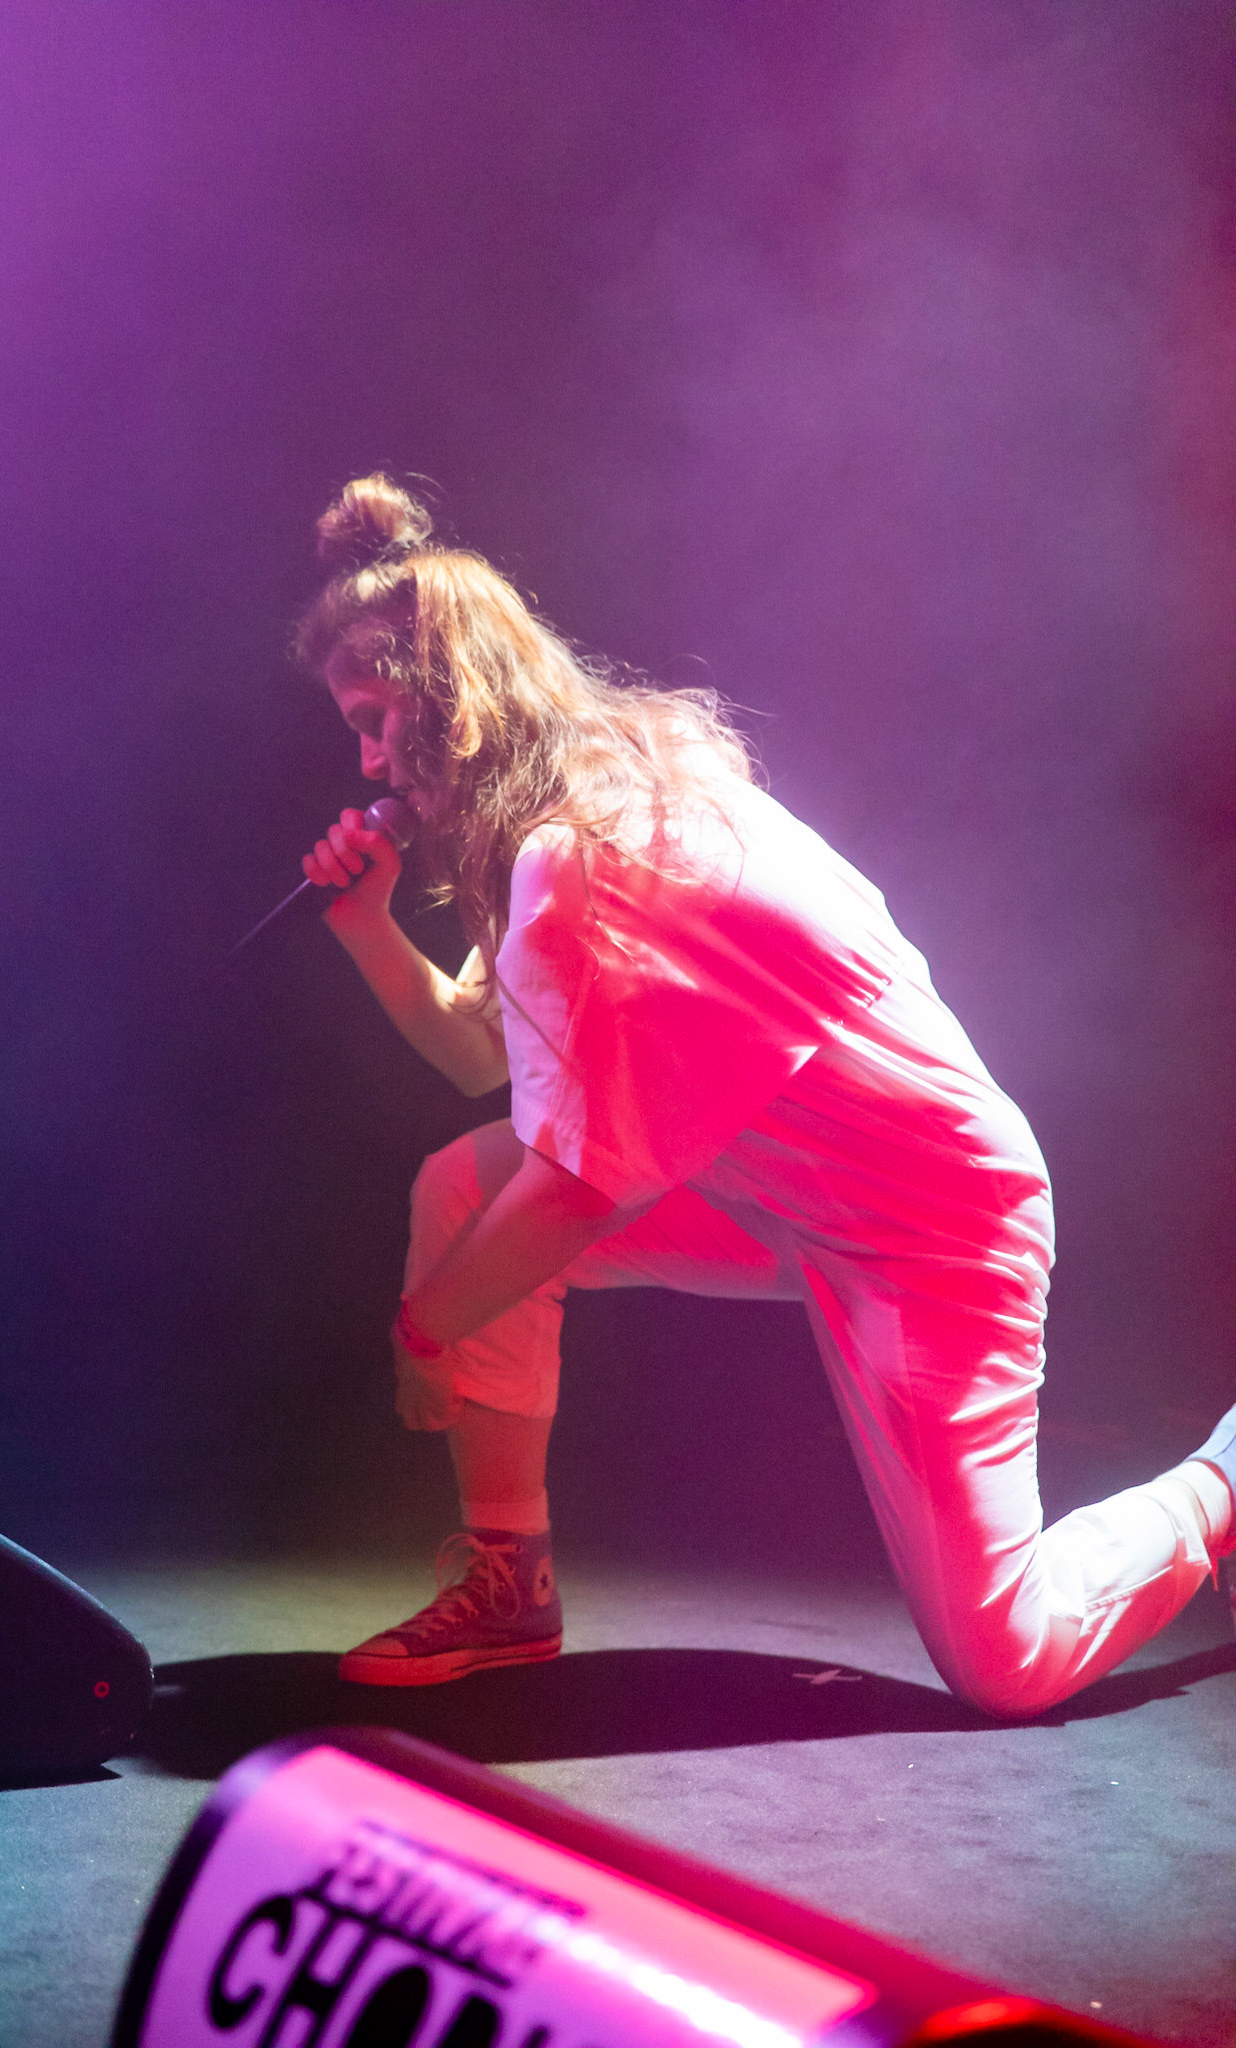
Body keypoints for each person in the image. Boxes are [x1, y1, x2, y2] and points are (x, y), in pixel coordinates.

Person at [293, 473, 1234, 1714]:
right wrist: (364, 925)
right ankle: (509, 1579)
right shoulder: (575, 819)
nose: (363, 759)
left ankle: (1225, 1479)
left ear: (448, 704)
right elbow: (488, 1061)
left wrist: (427, 1327)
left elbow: (574, 1189)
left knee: (1010, 1660)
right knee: (461, 1187)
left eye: (371, 719)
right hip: (775, 1196)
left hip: (932, 1229)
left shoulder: (592, 854)